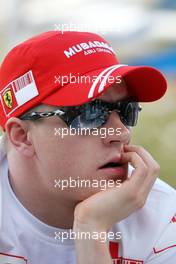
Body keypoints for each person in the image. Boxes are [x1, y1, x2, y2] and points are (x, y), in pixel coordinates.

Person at [0, 30, 175, 264]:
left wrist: (91, 229)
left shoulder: (162, 217)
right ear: (22, 136)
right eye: (90, 113)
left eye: (127, 111)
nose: (121, 133)